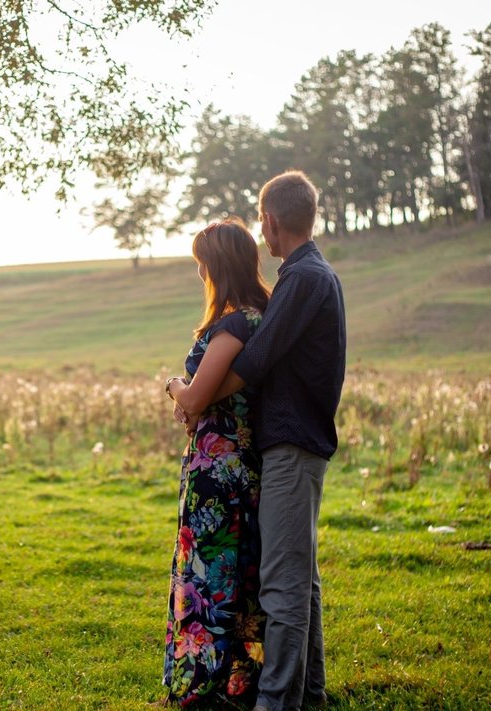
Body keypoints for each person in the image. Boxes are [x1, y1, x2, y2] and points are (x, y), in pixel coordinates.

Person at [170, 170, 346, 711]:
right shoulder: (307, 275)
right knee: (301, 581)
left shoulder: (304, 278)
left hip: (292, 445)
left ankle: (276, 703)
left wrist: (192, 396)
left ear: (270, 220)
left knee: (283, 587)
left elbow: (257, 359)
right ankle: (310, 694)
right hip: (292, 444)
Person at [161, 217, 271, 708]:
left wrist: (172, 387)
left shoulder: (235, 324)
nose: (200, 274)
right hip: (228, 464)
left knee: (214, 572)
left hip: (219, 472)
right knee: (233, 570)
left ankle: (211, 684)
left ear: (217, 267)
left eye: (202, 265)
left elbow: (198, 395)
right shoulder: (255, 317)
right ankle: (233, 680)